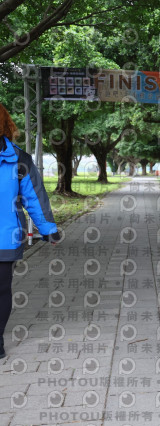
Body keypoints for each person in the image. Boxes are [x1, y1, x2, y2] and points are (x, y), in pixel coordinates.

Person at [0, 103, 60, 359]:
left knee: (1, 289)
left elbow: (34, 196)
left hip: (5, 236)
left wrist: (48, 229)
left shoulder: (18, 159)